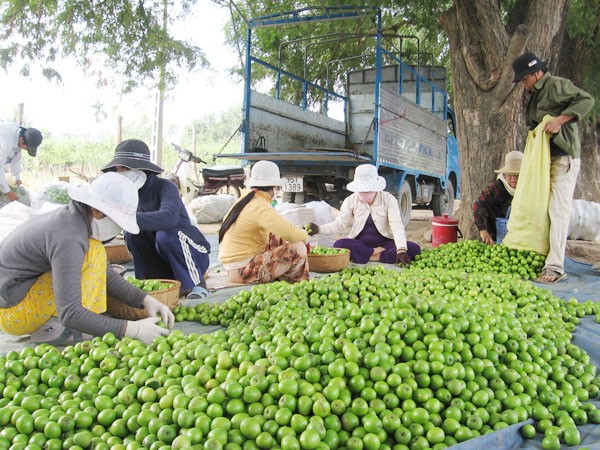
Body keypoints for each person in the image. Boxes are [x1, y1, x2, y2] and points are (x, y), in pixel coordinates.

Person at [0, 172, 174, 345]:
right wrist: (132, 329)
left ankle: (64, 324)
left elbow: (107, 276)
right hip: (13, 312)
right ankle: (50, 330)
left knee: (94, 251)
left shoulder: (73, 220)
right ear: (97, 211)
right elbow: (70, 312)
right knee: (93, 252)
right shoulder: (69, 237)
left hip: (18, 298)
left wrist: (144, 300)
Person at [512, 52, 594, 283]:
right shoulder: (535, 94)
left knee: (559, 211)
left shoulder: (557, 85)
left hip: (563, 158)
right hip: (545, 160)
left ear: (536, 72)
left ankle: (556, 267)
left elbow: (586, 100)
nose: (523, 84)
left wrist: (560, 120)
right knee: (541, 209)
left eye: (524, 79)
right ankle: (542, 256)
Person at [102, 139, 212, 299]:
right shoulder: (129, 194)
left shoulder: (165, 187)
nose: (120, 173)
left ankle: (197, 284)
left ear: (140, 170)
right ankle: (149, 282)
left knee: (166, 235)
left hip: (192, 254)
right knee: (132, 233)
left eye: (124, 169)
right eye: (118, 170)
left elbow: (168, 219)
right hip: (163, 262)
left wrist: (126, 218)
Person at [306, 164, 420, 265]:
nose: (365, 193)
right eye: (362, 190)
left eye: (368, 190)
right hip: (361, 243)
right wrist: (319, 229)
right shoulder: (351, 200)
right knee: (339, 244)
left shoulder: (388, 200)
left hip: (385, 242)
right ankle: (375, 254)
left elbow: (396, 225)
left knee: (413, 248)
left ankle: (370, 257)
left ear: (376, 188)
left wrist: (401, 250)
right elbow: (339, 225)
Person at [218, 160, 310, 284]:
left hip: (233, 267)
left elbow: (281, 229)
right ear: (275, 187)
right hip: (242, 271)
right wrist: (306, 240)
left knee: (276, 236)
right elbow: (290, 232)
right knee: (299, 248)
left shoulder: (246, 199)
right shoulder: (259, 205)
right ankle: (297, 283)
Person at [473, 151, 523, 245]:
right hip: (496, 234)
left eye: (517, 175)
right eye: (510, 175)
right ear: (504, 175)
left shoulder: (528, 190)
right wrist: (483, 230)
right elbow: (479, 204)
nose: (513, 179)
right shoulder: (496, 188)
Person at [0, 123, 43, 203]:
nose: (25, 149)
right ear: (22, 140)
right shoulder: (6, 141)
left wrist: (17, 177)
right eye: (26, 148)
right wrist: (8, 192)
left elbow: (16, 160)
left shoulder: (20, 137)